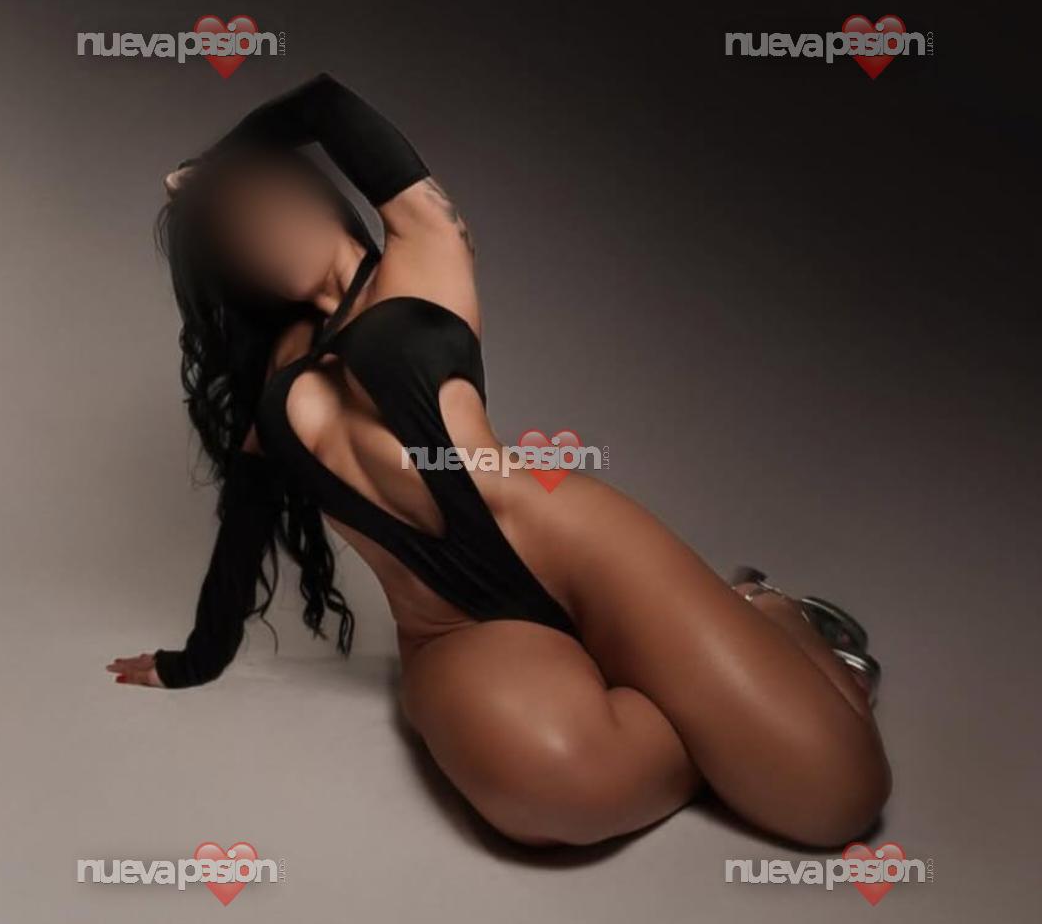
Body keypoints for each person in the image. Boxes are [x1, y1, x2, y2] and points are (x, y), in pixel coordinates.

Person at [107, 72, 890, 849]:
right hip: (450, 626)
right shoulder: (277, 368)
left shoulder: (423, 249)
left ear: (310, 191)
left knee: (837, 800)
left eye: (267, 206)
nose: (261, 236)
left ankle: (765, 612)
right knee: (553, 790)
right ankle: (717, 712)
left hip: (569, 546)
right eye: (237, 234)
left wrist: (221, 163)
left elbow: (326, 103)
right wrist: (196, 659)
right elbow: (244, 519)